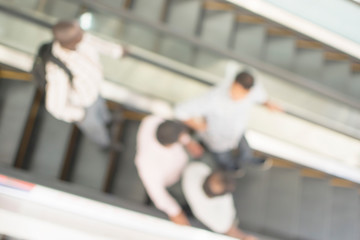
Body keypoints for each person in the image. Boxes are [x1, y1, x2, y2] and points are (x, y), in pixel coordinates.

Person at [175, 62, 282, 171]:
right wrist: (200, 126)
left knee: (246, 150)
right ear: (232, 82)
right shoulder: (213, 98)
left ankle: (247, 159)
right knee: (224, 159)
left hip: (238, 131)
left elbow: (261, 96)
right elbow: (180, 111)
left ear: (248, 91)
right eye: (234, 89)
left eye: (241, 93)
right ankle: (231, 168)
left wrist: (268, 103)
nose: (235, 95)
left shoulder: (253, 91)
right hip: (217, 139)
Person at [44, 20, 124, 150]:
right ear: (71, 41)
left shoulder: (81, 40)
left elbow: (98, 44)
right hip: (83, 106)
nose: (84, 33)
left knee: (101, 109)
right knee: (95, 129)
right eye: (79, 32)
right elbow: (54, 107)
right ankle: (106, 145)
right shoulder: (56, 70)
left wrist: (118, 51)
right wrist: (80, 114)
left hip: (94, 91)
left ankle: (108, 121)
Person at [135, 115, 203, 225]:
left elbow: (179, 133)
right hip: (172, 180)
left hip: (182, 164)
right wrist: (176, 213)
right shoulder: (148, 167)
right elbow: (159, 196)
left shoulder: (152, 121)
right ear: (171, 144)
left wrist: (189, 143)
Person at [182, 162, 257, 240]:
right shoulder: (204, 207)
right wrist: (243, 237)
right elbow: (225, 228)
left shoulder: (198, 168)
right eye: (217, 182)